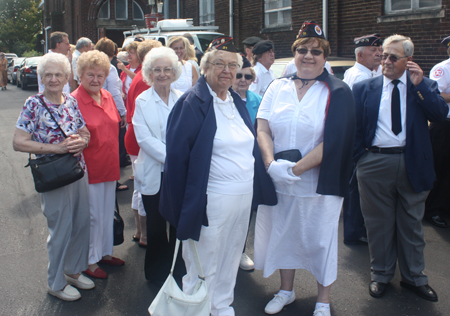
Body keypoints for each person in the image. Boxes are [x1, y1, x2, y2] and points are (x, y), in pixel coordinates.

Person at [159, 36, 277, 316]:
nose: (227, 70)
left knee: (230, 255)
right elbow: (176, 162)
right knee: (203, 263)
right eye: (219, 64)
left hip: (241, 197)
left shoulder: (234, 101)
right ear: (205, 68)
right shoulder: (192, 103)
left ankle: (222, 304)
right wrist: (183, 213)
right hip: (210, 199)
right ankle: (196, 309)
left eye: (232, 65)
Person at [255, 21, 355, 316]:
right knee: (284, 235)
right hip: (279, 180)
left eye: (315, 51)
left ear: (324, 57)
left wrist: (295, 170)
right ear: (294, 53)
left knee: (319, 240)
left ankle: (322, 299)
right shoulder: (277, 86)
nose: (308, 56)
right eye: (302, 50)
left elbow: (335, 140)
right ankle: (286, 290)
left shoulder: (337, 91)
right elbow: (263, 127)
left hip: (317, 183)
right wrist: (271, 164)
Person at [353, 34, 448, 301]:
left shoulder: (423, 85)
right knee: (378, 225)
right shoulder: (364, 88)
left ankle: (414, 278)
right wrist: (361, 159)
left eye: (393, 57)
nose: (386, 61)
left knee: (412, 225)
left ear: (408, 61)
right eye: (383, 55)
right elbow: (355, 129)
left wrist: (419, 88)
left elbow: (440, 114)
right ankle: (380, 275)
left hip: (413, 162)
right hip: (374, 162)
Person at [12, 53, 93, 301]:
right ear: (42, 78)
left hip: (77, 171)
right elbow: (18, 143)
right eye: (48, 74)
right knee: (60, 228)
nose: (54, 79)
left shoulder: (70, 101)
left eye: (58, 74)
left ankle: (72, 271)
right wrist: (56, 148)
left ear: (67, 77)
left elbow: (84, 130)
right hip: (55, 174)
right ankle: (55, 283)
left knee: (80, 224)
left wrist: (82, 141)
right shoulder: (33, 105)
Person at [132, 46, 184, 283]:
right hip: (156, 170)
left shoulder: (183, 98)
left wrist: (179, 160)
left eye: (167, 69)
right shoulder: (142, 100)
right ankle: (156, 272)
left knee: (177, 224)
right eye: (157, 70)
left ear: (174, 72)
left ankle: (178, 270)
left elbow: (188, 134)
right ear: (149, 73)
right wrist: (175, 158)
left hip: (178, 173)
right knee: (155, 223)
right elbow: (144, 139)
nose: (162, 74)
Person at [72, 50, 125, 279]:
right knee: (91, 216)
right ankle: (89, 260)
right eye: (90, 74)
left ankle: (104, 252)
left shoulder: (107, 96)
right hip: (88, 168)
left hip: (110, 164)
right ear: (80, 75)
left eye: (100, 75)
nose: (95, 79)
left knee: (105, 213)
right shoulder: (73, 101)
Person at [342, 34, 383, 245]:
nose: (379, 53)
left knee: (356, 189)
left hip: (356, 141)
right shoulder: (361, 77)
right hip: (360, 142)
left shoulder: (361, 72)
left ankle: (355, 229)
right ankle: (355, 231)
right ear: (360, 55)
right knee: (357, 190)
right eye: (373, 51)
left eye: (379, 50)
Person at [125, 39, 162, 248]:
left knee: (139, 186)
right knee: (143, 186)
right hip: (139, 140)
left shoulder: (139, 76)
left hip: (134, 137)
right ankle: (144, 233)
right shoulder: (144, 80)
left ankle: (140, 231)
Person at [231, 55, 262, 271]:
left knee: (245, 211)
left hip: (250, 164)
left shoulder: (257, 101)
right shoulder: (224, 98)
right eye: (238, 75)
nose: (243, 80)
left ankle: (240, 251)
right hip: (228, 163)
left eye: (247, 76)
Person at [424, 34, 450, 228]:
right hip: (444, 126)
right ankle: (433, 211)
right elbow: (436, 95)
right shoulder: (442, 69)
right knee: (440, 170)